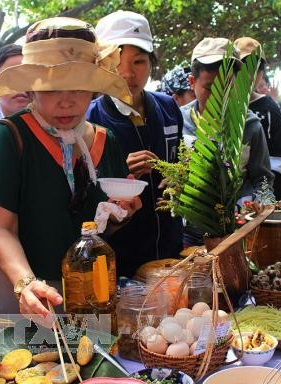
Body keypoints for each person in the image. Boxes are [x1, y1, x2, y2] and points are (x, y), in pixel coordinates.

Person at [0, 17, 141, 317]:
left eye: (79, 87)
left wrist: (120, 214)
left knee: (87, 361)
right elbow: (1, 229)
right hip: (22, 295)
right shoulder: (9, 137)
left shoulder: (105, 139)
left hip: (91, 294)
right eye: (51, 88)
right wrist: (26, 284)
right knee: (27, 363)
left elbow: (102, 226)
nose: (67, 102)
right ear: (31, 89)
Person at [86, 10, 183, 278]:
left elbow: (182, 159)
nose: (128, 73)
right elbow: (81, 192)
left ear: (152, 62)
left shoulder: (168, 107)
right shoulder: (89, 119)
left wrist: (179, 179)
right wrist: (118, 172)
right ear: (102, 66)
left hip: (170, 248)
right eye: (116, 63)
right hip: (120, 257)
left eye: (139, 61)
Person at [181, 37, 274, 209]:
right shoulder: (178, 121)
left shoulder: (250, 125)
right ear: (192, 82)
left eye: (227, 87)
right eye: (210, 88)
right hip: (188, 228)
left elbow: (263, 180)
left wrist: (261, 205)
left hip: (238, 224)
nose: (220, 97)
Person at [234, 37, 281, 200]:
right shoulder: (218, 104)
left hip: (257, 197)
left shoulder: (269, 109)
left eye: (255, 68)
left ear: (262, 73)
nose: (249, 74)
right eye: (243, 67)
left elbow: (276, 161)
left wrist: (265, 199)